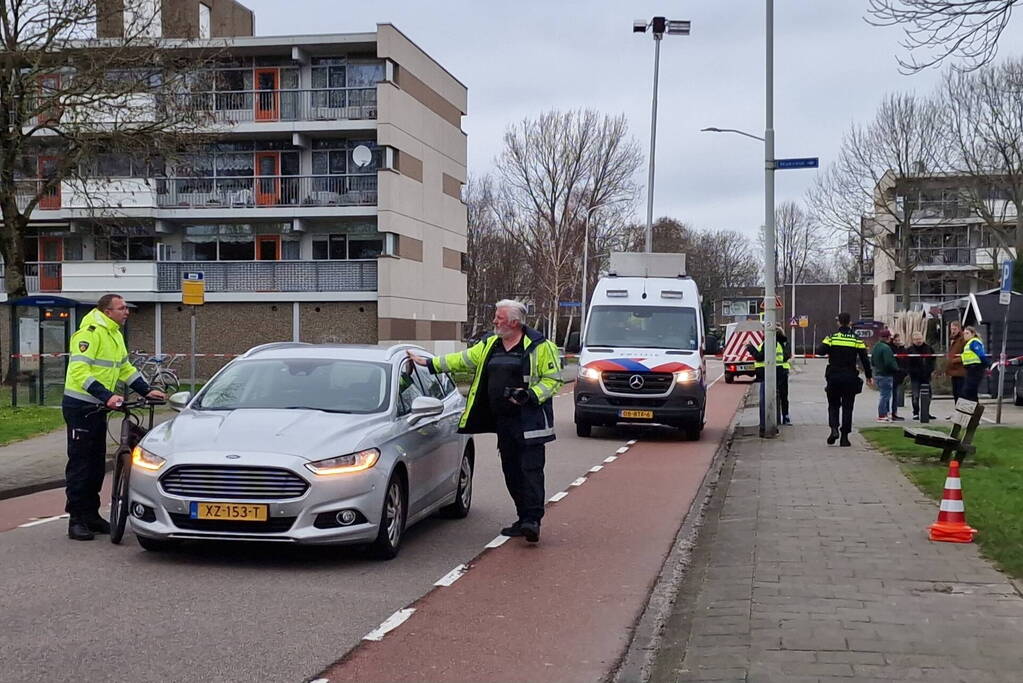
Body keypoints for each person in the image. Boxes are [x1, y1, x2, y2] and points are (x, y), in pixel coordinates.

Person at [409, 299, 562, 544]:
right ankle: (523, 517)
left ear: (514, 322)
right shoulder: (491, 343)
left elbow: (554, 379)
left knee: (531, 471)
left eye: (498, 318)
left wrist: (530, 395)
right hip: (503, 422)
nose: (494, 321)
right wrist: (429, 364)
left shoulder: (540, 346)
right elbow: (463, 359)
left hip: (529, 422)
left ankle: (532, 520)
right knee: (511, 471)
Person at [62, 294, 166, 541]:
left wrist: (145, 389)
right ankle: (76, 520)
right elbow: (78, 371)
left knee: (97, 463)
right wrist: (107, 395)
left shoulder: (115, 334)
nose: (126, 312)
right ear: (107, 311)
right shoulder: (89, 332)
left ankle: (92, 515)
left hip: (99, 407)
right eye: (121, 308)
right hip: (80, 406)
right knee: (80, 464)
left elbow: (124, 368)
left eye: (126, 308)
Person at [816, 313, 872, 447]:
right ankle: (845, 437)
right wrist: (869, 376)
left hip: (834, 377)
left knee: (833, 405)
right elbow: (865, 359)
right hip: (850, 377)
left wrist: (825, 342)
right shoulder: (857, 340)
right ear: (850, 323)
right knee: (848, 407)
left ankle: (834, 429)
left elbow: (820, 352)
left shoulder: (831, 338)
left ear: (839, 323)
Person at [745, 325, 791, 431]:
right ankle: (785, 416)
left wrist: (750, 348)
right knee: (783, 395)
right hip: (783, 371)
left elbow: (760, 357)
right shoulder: (784, 343)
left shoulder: (770, 342)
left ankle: (769, 421)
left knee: (769, 395)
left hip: (770, 372)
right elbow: (786, 355)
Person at [906, 331, 936, 420]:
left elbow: (933, 359)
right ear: (913, 340)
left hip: (926, 376)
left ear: (923, 338)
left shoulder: (929, 348)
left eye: (919, 339)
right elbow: (907, 363)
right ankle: (915, 413)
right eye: (916, 339)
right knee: (915, 395)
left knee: (928, 395)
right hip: (915, 376)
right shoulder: (910, 350)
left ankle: (926, 412)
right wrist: (911, 371)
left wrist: (931, 369)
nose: (918, 341)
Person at [871, 330, 900, 422]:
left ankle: (884, 414)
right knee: (885, 396)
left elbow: (872, 361)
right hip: (886, 374)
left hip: (878, 374)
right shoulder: (886, 348)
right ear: (888, 338)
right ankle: (882, 415)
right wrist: (896, 368)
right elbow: (889, 362)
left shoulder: (876, 347)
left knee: (883, 394)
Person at [960, 325, 989, 402]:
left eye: (967, 333)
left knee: (968, 390)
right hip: (970, 369)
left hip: (975, 368)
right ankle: (974, 409)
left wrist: (986, 365)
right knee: (971, 391)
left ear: (972, 334)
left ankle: (973, 408)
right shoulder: (969, 343)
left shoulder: (974, 342)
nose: (965, 335)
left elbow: (981, 354)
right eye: (964, 334)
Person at [946, 320, 966, 404]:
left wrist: (954, 360)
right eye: (952, 329)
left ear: (959, 329)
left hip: (961, 370)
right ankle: (958, 411)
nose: (953, 331)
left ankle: (962, 413)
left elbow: (965, 355)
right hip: (954, 371)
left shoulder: (962, 340)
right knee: (955, 393)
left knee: (961, 393)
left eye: (955, 329)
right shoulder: (953, 339)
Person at [890, 333, 908, 421]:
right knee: (891, 395)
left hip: (899, 375)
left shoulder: (902, 349)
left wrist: (904, 372)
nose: (897, 342)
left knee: (895, 395)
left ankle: (894, 413)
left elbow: (906, 361)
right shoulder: (890, 348)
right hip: (892, 374)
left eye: (898, 340)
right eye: (895, 340)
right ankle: (891, 413)